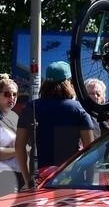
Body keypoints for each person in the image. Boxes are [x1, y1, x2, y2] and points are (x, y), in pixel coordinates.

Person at [16, 60, 95, 189]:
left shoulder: (31, 107)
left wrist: (27, 179)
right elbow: (89, 149)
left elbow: (19, 146)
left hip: (39, 179)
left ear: (46, 82)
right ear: (68, 82)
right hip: (70, 179)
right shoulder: (78, 109)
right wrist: (88, 181)